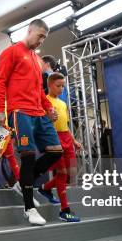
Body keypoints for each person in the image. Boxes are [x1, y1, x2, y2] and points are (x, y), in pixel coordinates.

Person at [0, 19, 63, 226]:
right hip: (20, 111)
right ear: (29, 31)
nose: (41, 41)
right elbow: (0, 82)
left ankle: (24, 183)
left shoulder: (38, 61)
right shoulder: (11, 52)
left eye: (44, 38)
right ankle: (28, 208)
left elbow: (39, 91)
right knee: (29, 157)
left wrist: (49, 108)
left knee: (55, 151)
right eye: (39, 36)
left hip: (39, 113)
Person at [38, 72, 82, 222]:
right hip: (53, 137)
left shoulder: (63, 104)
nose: (61, 88)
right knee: (62, 173)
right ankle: (64, 210)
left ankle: (45, 188)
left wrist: (74, 140)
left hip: (66, 138)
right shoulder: (44, 102)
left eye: (63, 86)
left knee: (70, 173)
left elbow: (66, 124)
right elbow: (41, 123)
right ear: (49, 85)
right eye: (58, 86)